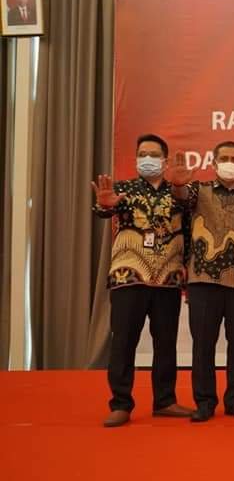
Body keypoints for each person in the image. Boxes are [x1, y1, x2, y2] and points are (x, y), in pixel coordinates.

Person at [92, 134, 193, 427]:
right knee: (124, 341)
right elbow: (104, 209)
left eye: (153, 154)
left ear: (164, 160)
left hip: (168, 278)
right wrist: (105, 206)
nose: (147, 159)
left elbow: (190, 230)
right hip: (129, 276)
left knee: (166, 343)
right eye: (142, 154)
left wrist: (187, 269)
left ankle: (165, 400)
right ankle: (121, 403)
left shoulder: (180, 193)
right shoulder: (123, 189)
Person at [166, 141, 234, 422]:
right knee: (203, 345)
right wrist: (177, 185)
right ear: (213, 163)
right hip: (202, 281)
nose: (229, 163)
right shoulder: (197, 191)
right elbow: (180, 199)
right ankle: (204, 402)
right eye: (224, 158)